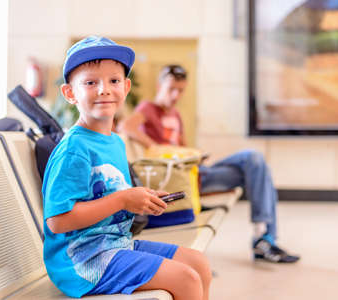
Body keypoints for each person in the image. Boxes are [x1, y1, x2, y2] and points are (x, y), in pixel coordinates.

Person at [42, 37, 212, 300]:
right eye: (90, 82)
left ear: (126, 86)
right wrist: (122, 199)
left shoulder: (115, 142)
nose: (104, 89)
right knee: (186, 279)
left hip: (116, 244)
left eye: (114, 81)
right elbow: (57, 221)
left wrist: (140, 197)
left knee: (198, 265)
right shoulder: (74, 149)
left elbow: (112, 193)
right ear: (70, 93)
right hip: (83, 261)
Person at [122, 64, 300, 263]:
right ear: (159, 86)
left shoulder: (175, 115)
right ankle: (264, 238)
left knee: (255, 162)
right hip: (180, 178)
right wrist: (157, 147)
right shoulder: (148, 108)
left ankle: (263, 236)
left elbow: (183, 147)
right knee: (256, 166)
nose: (175, 96)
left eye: (180, 91)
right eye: (171, 89)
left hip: (195, 170)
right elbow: (126, 126)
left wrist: (193, 155)